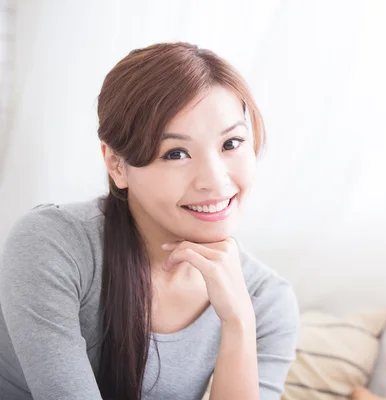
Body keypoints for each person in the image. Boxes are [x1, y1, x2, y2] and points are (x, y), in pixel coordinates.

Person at [0, 42, 299, 400]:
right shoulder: (53, 244)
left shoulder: (267, 301)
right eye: (176, 153)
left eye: (231, 143)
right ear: (116, 165)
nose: (215, 181)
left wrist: (239, 323)